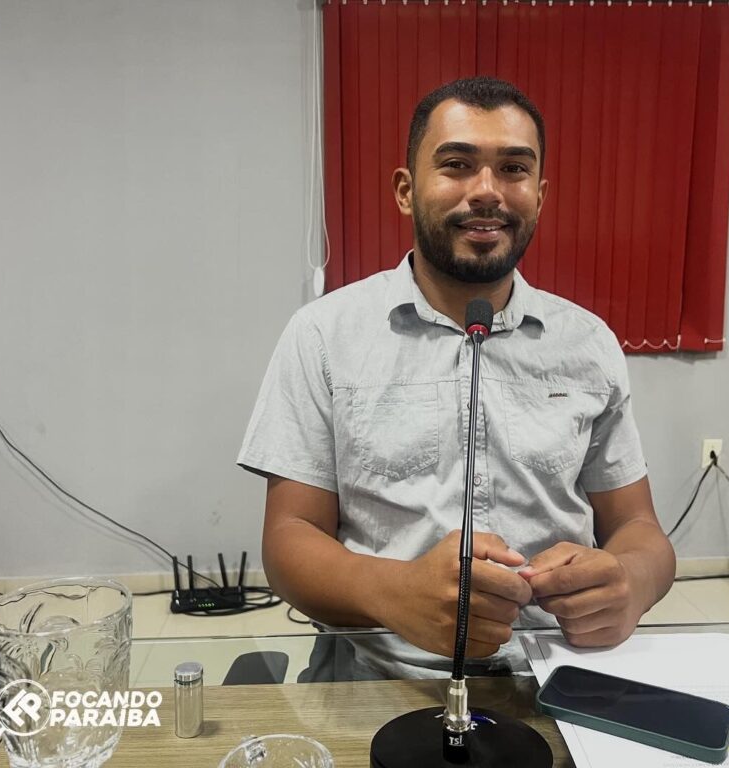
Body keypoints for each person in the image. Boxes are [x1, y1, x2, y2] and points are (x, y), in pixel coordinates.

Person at [237, 77, 675, 680]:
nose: (487, 191)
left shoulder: (588, 343)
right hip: (376, 675)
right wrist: (393, 592)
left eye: (514, 169)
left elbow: (638, 528)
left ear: (540, 195)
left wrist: (631, 581)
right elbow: (289, 538)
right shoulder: (323, 335)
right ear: (405, 190)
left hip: (556, 675)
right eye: (457, 165)